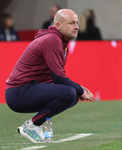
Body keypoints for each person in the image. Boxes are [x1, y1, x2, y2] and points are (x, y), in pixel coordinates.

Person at [5, 9, 94, 143]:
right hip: (19, 92)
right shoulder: (52, 40)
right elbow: (59, 77)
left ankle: (34, 125)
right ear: (57, 25)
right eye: (71, 23)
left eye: (77, 23)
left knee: (72, 95)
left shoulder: (59, 41)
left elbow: (55, 77)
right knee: (70, 93)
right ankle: (32, 125)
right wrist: (80, 89)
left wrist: (77, 91)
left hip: (25, 90)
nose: (76, 27)